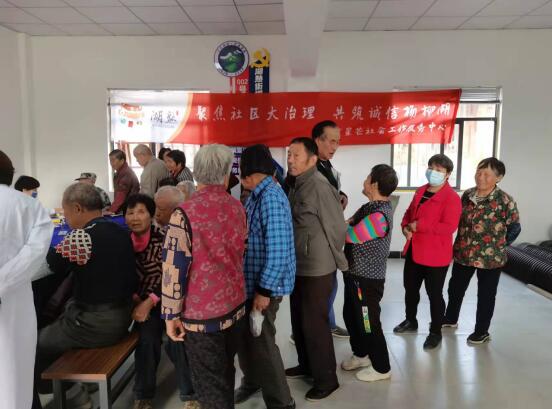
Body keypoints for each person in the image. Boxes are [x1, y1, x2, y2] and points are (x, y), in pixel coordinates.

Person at [33, 183, 138, 409]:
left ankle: (75, 396)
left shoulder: (81, 237)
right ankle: (85, 385)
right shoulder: (119, 230)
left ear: (78, 208)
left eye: (66, 211)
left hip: (96, 324)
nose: (65, 218)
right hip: (123, 315)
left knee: (36, 344)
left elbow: (48, 266)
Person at [161, 144, 247, 409]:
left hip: (201, 315)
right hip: (235, 307)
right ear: (226, 175)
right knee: (226, 371)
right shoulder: (237, 207)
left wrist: (170, 315)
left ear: (196, 173)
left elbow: (173, 268)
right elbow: (241, 251)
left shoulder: (184, 213)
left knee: (210, 385)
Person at [285, 137, 347, 401]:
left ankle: (326, 379)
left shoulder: (320, 186)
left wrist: (336, 261)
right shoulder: (297, 183)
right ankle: (306, 365)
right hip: (299, 263)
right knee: (299, 319)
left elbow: (337, 227)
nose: (290, 160)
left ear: (312, 159)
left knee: (315, 324)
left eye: (296, 155)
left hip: (317, 267)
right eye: (289, 154)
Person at [234, 145, 296, 409]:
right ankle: (252, 381)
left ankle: (282, 402)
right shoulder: (257, 195)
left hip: (264, 287)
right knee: (247, 338)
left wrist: (264, 291)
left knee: (263, 342)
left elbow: (278, 250)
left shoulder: (270, 197)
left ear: (248, 175)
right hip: (252, 283)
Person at [124, 194, 196, 409]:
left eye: (141, 212)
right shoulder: (122, 242)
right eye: (130, 212)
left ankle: (190, 395)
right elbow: (119, 274)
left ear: (151, 215)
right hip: (138, 304)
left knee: (177, 340)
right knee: (147, 340)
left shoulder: (164, 238)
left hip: (168, 300)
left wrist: (149, 302)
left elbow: (171, 274)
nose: (135, 217)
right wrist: (135, 299)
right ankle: (143, 395)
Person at [443, 157, 521, 345]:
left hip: (491, 259)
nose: (480, 177)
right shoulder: (467, 195)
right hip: (464, 253)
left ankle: (481, 331)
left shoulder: (504, 200)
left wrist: (499, 246)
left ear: (498, 177)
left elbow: (515, 227)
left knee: (486, 295)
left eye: (487, 174)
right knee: (455, 288)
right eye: (479, 172)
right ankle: (450, 318)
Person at [0, 150, 53, 409]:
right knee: (13, 377)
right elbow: (35, 255)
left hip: (13, 302)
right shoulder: (30, 207)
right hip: (14, 304)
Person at [393, 154, 462, 350]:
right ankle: (411, 320)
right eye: (431, 168)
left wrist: (419, 225)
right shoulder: (421, 190)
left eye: (439, 170)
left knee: (434, 295)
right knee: (410, 289)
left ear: (447, 174)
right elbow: (409, 213)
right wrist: (405, 227)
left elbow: (449, 227)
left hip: (435, 255)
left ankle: (435, 332)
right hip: (414, 250)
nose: (433, 172)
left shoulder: (451, 198)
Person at [341, 165, 398, 382]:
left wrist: (338, 226)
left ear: (374, 184)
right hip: (354, 275)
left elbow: (348, 235)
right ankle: (361, 354)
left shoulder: (380, 215)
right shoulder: (369, 207)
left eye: (367, 177)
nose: (364, 181)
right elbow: (347, 224)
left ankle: (382, 367)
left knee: (368, 322)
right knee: (351, 315)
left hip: (367, 281)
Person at [312, 120, 349, 338]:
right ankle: (311, 329)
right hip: (318, 237)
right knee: (320, 286)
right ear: (318, 140)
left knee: (330, 284)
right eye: (331, 141)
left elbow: (333, 191)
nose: (335, 146)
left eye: (338, 142)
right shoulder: (310, 168)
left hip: (330, 234)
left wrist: (342, 196)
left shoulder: (327, 166)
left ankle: (328, 323)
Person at [109, 149, 140, 213]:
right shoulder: (120, 172)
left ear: (122, 161)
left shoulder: (126, 173)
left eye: (113, 160)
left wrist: (111, 211)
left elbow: (121, 196)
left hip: (129, 209)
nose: (111, 163)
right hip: (125, 208)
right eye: (110, 160)